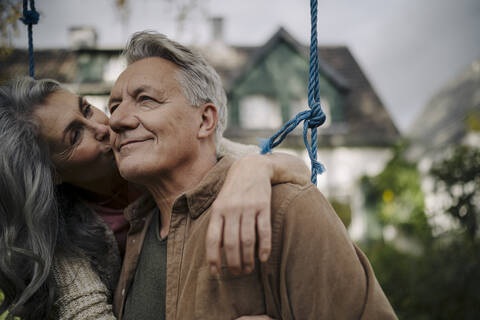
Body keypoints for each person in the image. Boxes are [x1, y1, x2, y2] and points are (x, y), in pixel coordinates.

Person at [110, 30, 398, 320]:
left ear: (205, 120)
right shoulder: (129, 233)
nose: (118, 120)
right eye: (114, 106)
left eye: (145, 99)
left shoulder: (287, 208)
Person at [0, 77, 310, 319]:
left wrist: (255, 168)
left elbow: (296, 169)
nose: (102, 127)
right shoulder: (61, 242)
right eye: (75, 135)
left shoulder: (150, 146)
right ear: (51, 173)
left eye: (85, 108)